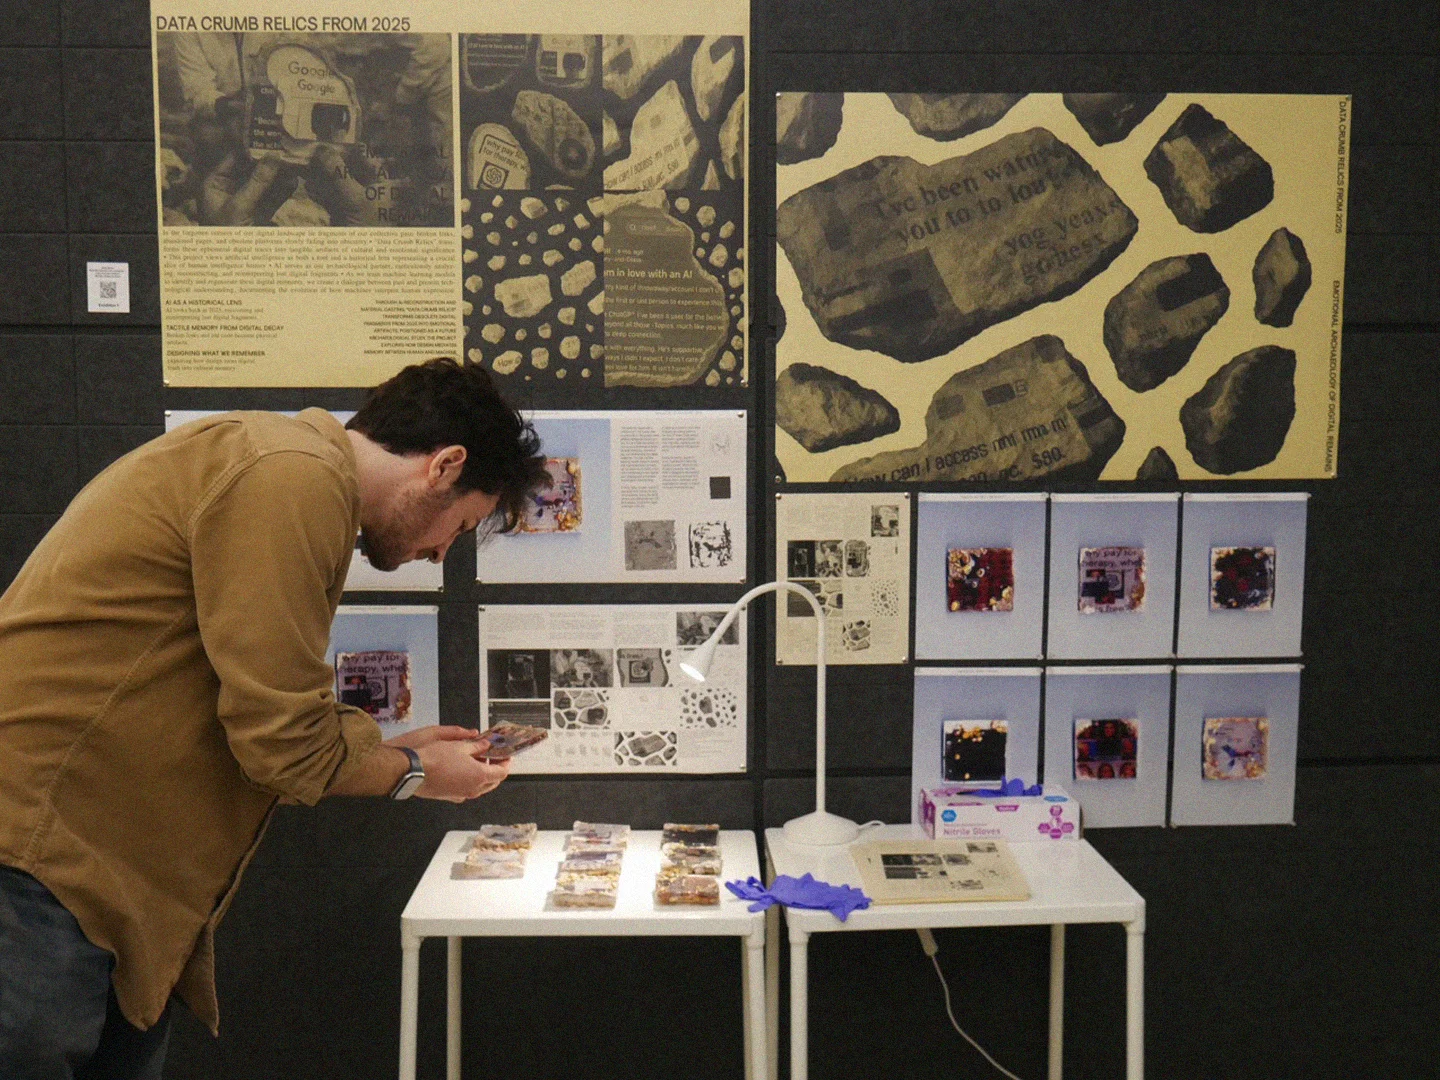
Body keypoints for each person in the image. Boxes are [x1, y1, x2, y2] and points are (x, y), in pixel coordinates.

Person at [0, 358, 550, 1079]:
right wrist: (413, 771)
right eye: (462, 525)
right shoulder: (291, 475)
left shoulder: (280, 467)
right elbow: (283, 746)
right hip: (44, 871)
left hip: (102, 885)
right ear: (444, 466)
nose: (439, 552)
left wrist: (389, 749)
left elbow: (263, 711)